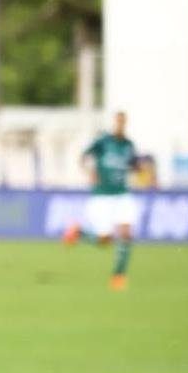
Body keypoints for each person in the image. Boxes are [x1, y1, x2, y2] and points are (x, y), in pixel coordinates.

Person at [63, 110, 139, 290]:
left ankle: (118, 276)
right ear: (113, 123)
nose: (120, 125)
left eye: (123, 122)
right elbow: (83, 156)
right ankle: (79, 233)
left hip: (122, 195)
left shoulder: (129, 145)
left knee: (126, 233)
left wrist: (141, 170)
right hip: (102, 196)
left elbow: (134, 166)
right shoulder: (103, 142)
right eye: (118, 121)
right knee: (104, 240)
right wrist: (90, 172)